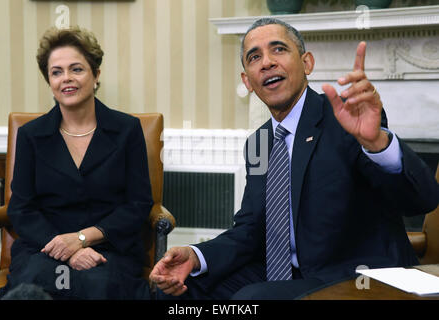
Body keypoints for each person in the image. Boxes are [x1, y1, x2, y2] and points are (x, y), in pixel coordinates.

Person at [150, 18, 439, 300]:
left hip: (353, 274)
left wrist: (377, 143)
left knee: (253, 298)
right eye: (254, 57)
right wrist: (196, 256)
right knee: (178, 289)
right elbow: (249, 230)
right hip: (285, 274)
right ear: (247, 81)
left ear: (307, 63)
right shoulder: (260, 142)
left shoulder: (346, 120)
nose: (266, 62)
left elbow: (421, 200)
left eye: (278, 49)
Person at [0, 26, 153, 300]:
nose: (66, 78)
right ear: (49, 80)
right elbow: (22, 208)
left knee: (98, 287)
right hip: (44, 248)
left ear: (95, 75)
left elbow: (137, 204)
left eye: (76, 69)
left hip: (107, 248)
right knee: (33, 287)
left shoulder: (127, 130)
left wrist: (82, 239)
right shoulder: (32, 135)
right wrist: (66, 248)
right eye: (56, 72)